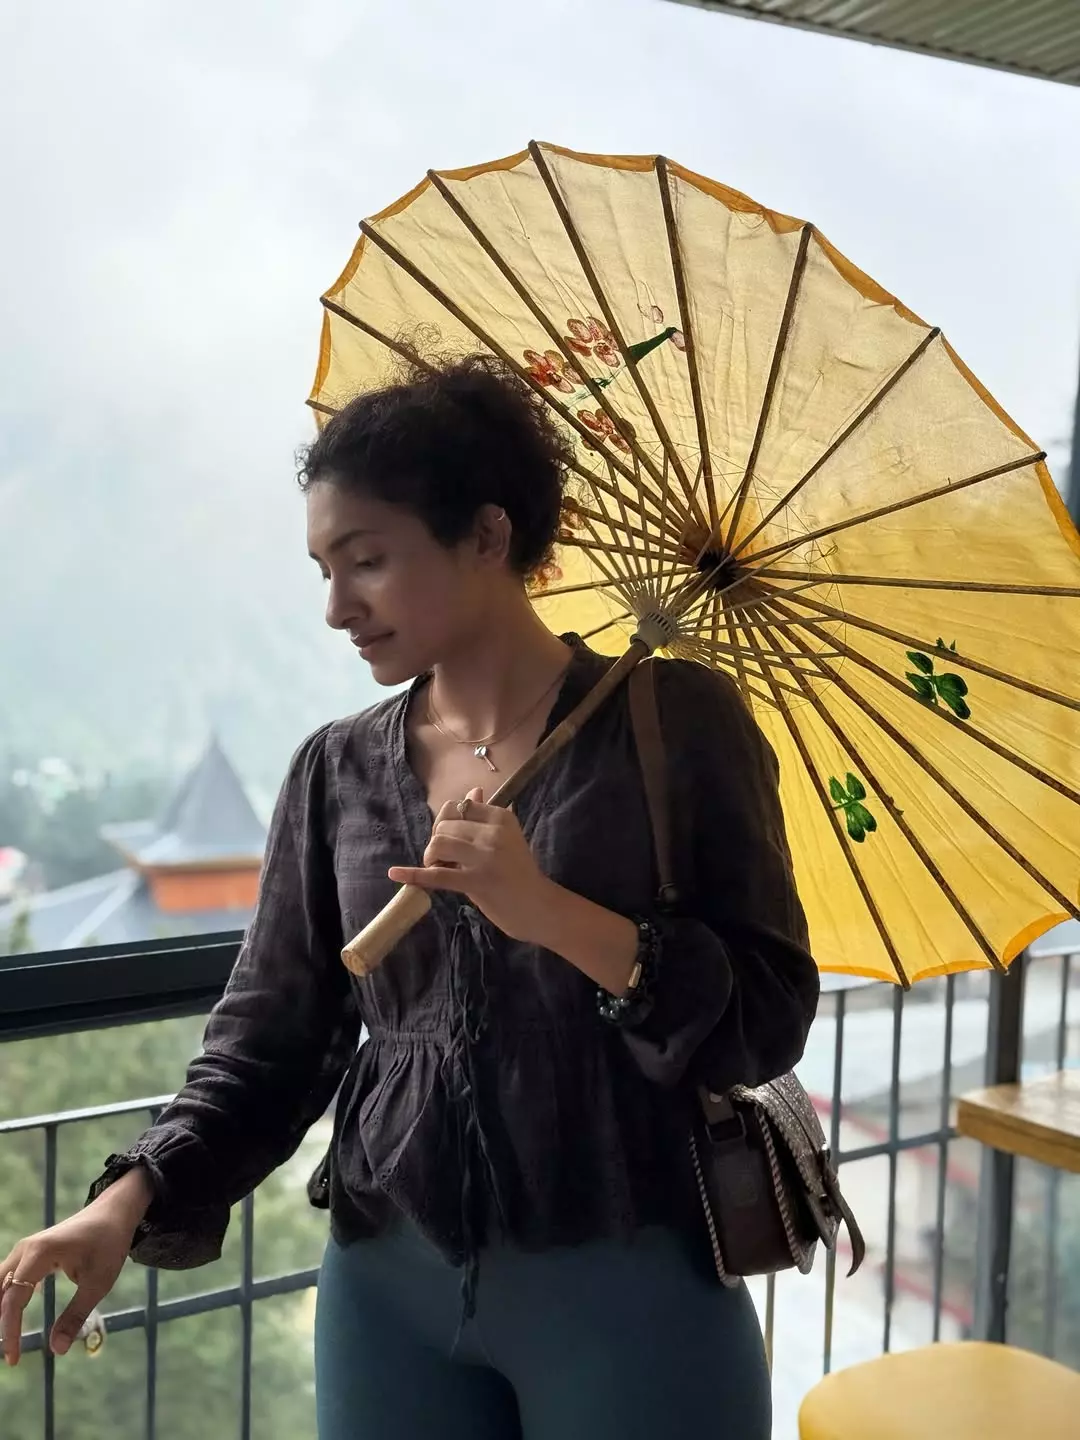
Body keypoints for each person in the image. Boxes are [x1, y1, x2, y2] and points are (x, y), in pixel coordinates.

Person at [1, 356, 819, 1438]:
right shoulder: (335, 769)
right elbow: (270, 1039)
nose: (337, 607)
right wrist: (130, 1197)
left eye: (369, 561)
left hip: (634, 1278)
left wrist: (551, 913)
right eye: (323, 569)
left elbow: (769, 1013)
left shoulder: (677, 724)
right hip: (386, 1287)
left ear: (486, 535)